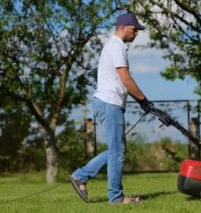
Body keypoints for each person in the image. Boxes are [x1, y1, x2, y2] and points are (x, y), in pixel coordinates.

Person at [68, 12, 154, 204]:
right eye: (135, 29)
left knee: (117, 149)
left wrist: (142, 100)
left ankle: (81, 176)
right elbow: (125, 79)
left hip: (106, 102)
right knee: (117, 151)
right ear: (123, 26)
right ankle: (115, 196)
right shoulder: (116, 47)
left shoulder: (115, 47)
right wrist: (143, 100)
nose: (137, 33)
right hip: (110, 103)